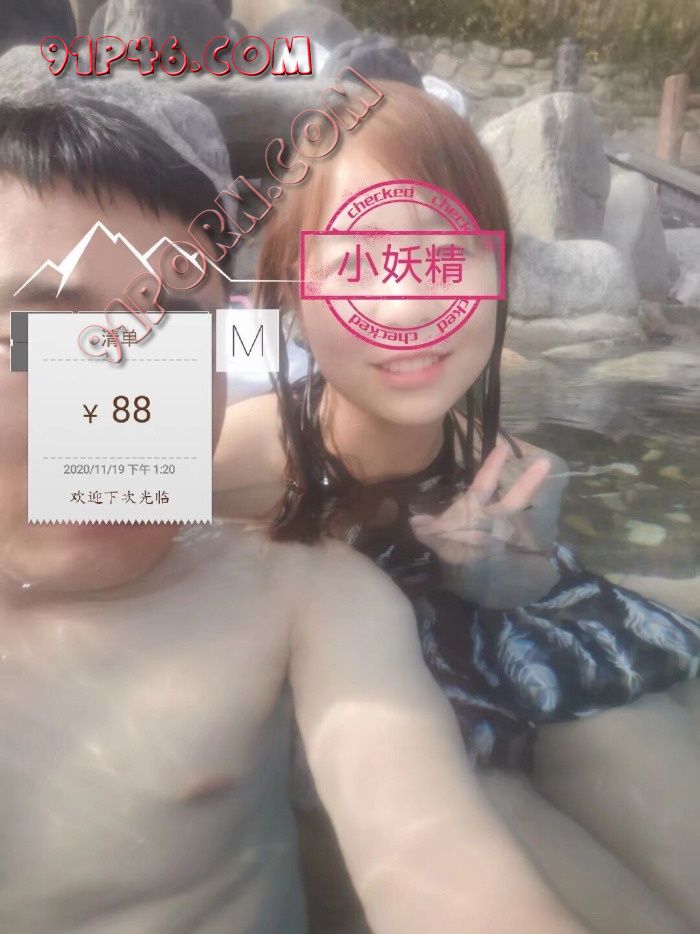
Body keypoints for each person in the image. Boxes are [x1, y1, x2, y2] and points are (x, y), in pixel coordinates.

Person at [0, 95, 587, 933]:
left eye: (169, 331)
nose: (114, 392)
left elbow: (435, 856)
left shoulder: (305, 594)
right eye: (34, 331)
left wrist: (499, 566)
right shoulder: (247, 462)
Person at [213, 79, 700, 931]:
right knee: (491, 806)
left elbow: (530, 590)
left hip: (516, 643)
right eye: (357, 264)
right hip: (383, 702)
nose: (409, 307)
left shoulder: (515, 466)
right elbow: (41, 453)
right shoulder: (243, 456)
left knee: (624, 744)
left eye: (443, 258)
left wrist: (499, 568)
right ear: (289, 292)